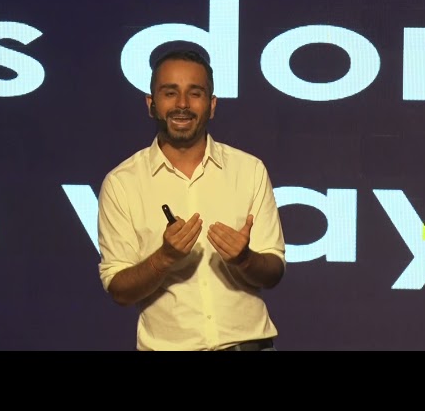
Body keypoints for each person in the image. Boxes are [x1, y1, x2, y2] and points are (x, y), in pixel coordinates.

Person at [97, 48, 286, 351]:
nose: (182, 104)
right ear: (151, 104)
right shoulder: (122, 183)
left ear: (212, 105)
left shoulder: (249, 170)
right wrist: (164, 258)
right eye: (170, 93)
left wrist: (244, 259)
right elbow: (119, 289)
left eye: (195, 93)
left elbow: (274, 271)